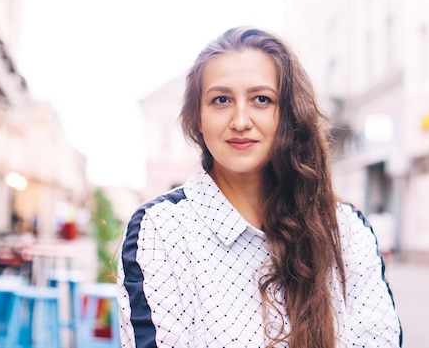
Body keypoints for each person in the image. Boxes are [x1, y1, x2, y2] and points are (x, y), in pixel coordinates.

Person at [117, 26, 402, 347]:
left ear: (289, 113)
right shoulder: (162, 231)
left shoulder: (345, 230)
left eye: (261, 99)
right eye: (221, 100)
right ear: (198, 118)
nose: (240, 120)